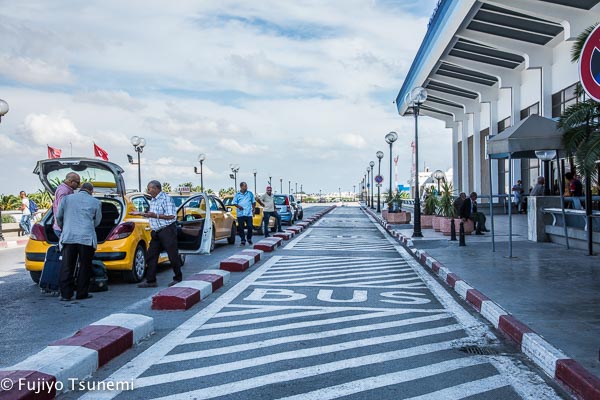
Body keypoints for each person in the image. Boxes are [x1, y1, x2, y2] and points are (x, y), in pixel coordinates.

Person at [56, 182, 102, 301]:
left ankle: (66, 294)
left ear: (80, 188)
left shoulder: (66, 199)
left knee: (67, 266)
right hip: (86, 238)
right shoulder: (96, 202)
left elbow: (59, 217)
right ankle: (82, 293)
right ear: (91, 191)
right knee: (85, 266)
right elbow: (97, 221)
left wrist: (64, 227)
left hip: (69, 236)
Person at [136, 180, 181, 288]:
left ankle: (178, 278)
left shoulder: (166, 199)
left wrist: (155, 215)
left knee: (172, 255)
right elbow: (152, 214)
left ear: (156, 188)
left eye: (150, 188)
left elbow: (171, 216)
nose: (148, 190)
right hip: (156, 232)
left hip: (167, 230)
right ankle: (151, 280)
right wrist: (142, 214)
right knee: (151, 255)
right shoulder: (153, 200)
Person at [52, 172, 81, 238]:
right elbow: (61, 210)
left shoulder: (67, 190)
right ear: (70, 181)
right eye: (77, 182)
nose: (79, 185)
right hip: (63, 229)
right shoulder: (64, 191)